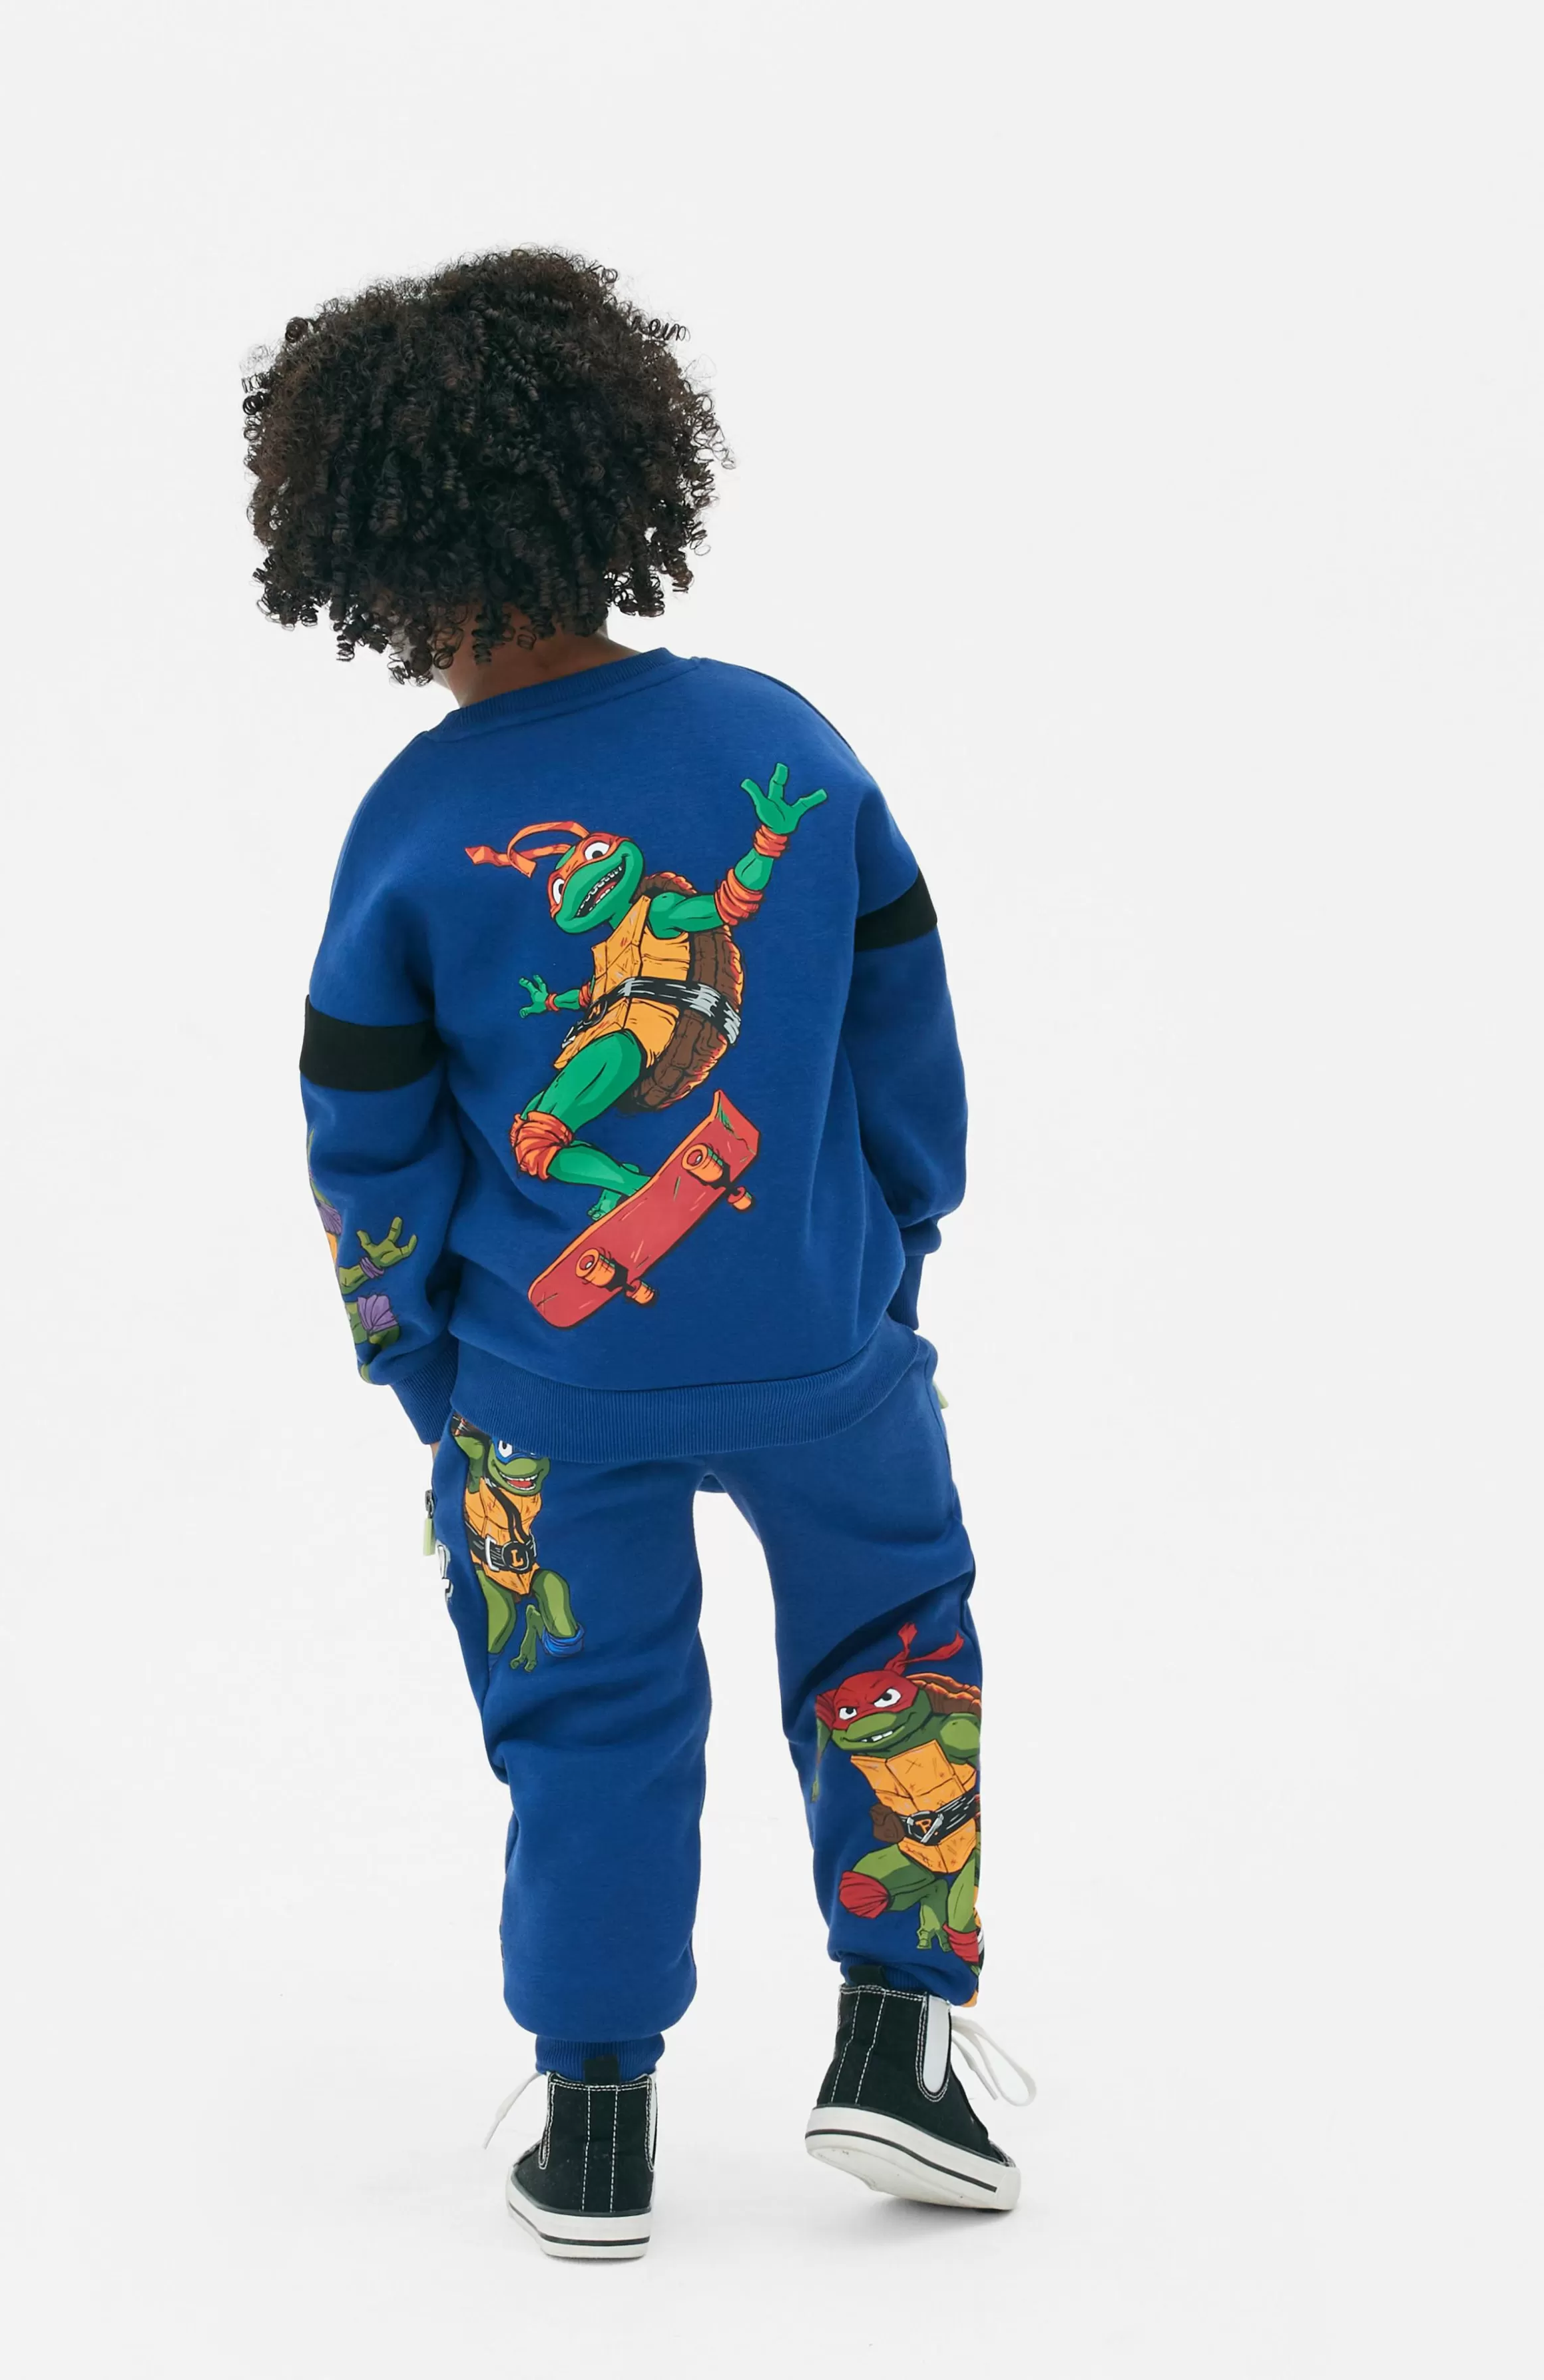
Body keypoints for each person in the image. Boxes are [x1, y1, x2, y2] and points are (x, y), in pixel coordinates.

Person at [244, 249, 1031, 2260]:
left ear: (379, 567)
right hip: (825, 1345)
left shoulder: (412, 825)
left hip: (543, 1383)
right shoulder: (789, 738)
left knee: (587, 1722)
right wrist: (894, 1242)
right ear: (620, 492)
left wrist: (420, 1357)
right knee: (895, 1633)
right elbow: (906, 1030)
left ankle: (596, 2124)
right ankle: (899, 2043)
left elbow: (364, 1135)